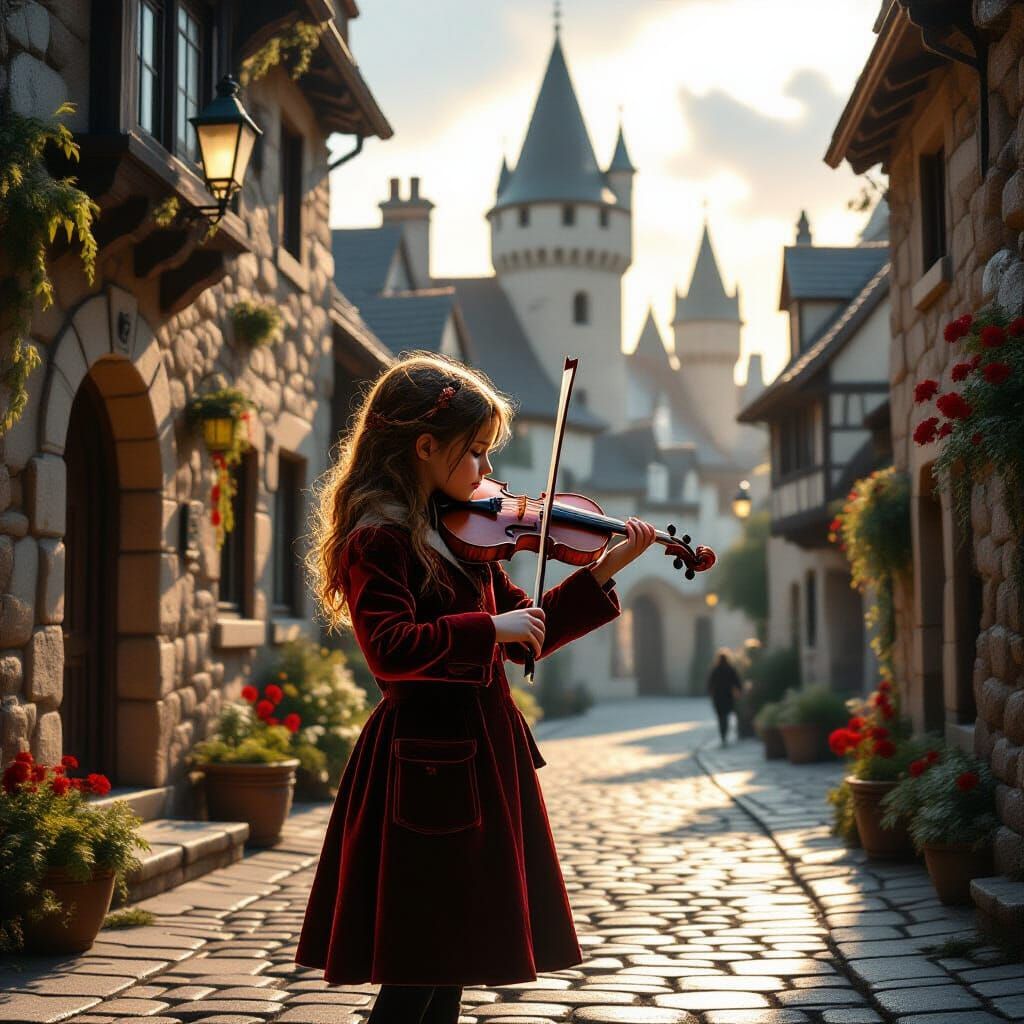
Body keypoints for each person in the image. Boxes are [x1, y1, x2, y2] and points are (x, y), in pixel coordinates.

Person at [293, 352, 657, 1024]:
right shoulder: (380, 538)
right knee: (420, 966)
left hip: (480, 756)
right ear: (426, 447)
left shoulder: (462, 535)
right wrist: (488, 627)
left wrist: (603, 570)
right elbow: (390, 648)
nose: (488, 471)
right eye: (477, 451)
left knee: (452, 960)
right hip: (423, 764)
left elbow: (529, 632)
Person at [707, 648, 742, 747]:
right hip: (727, 697)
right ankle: (724, 735)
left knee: (720, 717)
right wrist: (739, 692)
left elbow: (710, 684)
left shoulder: (715, 669)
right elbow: (737, 682)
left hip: (718, 697)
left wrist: (711, 693)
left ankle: (723, 735)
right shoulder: (730, 669)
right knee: (725, 717)